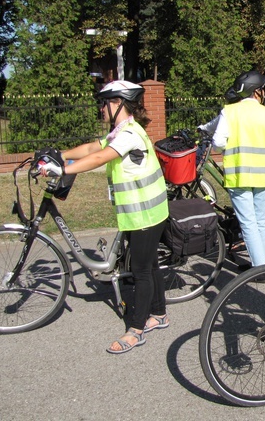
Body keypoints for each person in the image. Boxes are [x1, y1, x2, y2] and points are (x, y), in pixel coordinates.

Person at [39, 81, 169, 354]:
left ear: (119, 103)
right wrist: (59, 155)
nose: (102, 108)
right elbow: (90, 149)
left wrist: (61, 170)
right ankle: (159, 314)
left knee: (142, 271)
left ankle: (136, 330)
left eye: (106, 103)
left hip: (145, 213)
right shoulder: (121, 131)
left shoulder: (130, 134)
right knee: (150, 265)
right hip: (143, 211)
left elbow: (99, 158)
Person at [211, 71, 265, 271]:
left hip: (239, 175)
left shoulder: (230, 112)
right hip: (262, 175)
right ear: (257, 91)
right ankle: (263, 260)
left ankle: (259, 268)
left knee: (248, 222)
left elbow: (217, 142)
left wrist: (221, 149)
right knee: (259, 220)